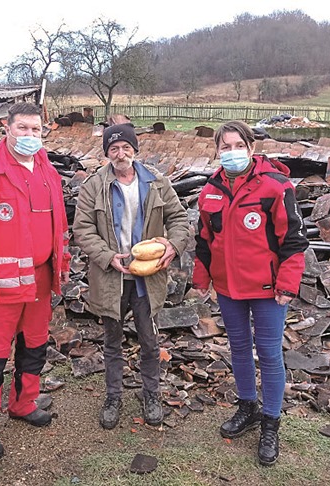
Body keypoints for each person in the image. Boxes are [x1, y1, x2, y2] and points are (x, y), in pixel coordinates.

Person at [0, 102, 71, 459]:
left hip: (40, 280)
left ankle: (24, 404)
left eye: (36, 130)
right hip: (0, 287)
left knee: (34, 347)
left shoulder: (45, 169)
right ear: (6, 129)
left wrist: (60, 267)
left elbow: (58, 226)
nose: (29, 136)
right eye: (22, 128)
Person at [192, 120, 308, 466]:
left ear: (251, 148)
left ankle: (271, 421)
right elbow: (204, 241)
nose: (231, 153)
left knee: (270, 353)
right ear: (216, 151)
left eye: (237, 146)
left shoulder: (276, 186)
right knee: (239, 348)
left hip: (268, 289)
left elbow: (294, 240)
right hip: (228, 288)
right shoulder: (209, 189)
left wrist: (288, 283)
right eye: (224, 147)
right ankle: (248, 407)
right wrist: (202, 279)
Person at [72, 123, 189, 429]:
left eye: (126, 148)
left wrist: (173, 245)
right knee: (112, 341)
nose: (120, 154)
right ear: (107, 154)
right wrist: (107, 256)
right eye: (113, 149)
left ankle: (151, 395)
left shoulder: (157, 182)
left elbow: (178, 218)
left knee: (149, 341)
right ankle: (113, 396)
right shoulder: (93, 185)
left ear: (136, 150)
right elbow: (82, 229)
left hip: (147, 278)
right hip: (111, 277)